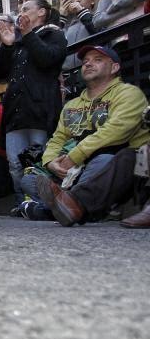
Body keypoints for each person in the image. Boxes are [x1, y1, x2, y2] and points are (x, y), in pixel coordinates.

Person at [20, 45, 150, 226]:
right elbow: (58, 138)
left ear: (114, 68)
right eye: (85, 61)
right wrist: (51, 162)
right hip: (72, 170)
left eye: (98, 60)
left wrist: (73, 157)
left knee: (104, 160)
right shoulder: (72, 104)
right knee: (29, 179)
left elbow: (115, 131)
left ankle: (56, 208)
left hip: (106, 164)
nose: (88, 64)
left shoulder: (129, 93)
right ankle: (70, 206)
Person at [0, 0, 68, 213]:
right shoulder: (18, 41)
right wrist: (7, 47)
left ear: (42, 12)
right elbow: (0, 74)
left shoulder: (54, 34)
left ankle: (43, 203)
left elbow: (48, 59)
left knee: (40, 161)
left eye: (26, 9)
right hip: (15, 113)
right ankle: (22, 203)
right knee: (15, 164)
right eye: (20, 9)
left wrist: (27, 35)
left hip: (39, 110)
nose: (21, 13)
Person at [59, 0, 100, 100]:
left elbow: (96, 31)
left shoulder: (97, 18)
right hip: (68, 81)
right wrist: (62, 16)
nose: (77, 0)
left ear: (93, 1)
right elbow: (55, 41)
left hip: (90, 76)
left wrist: (81, 11)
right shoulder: (70, 26)